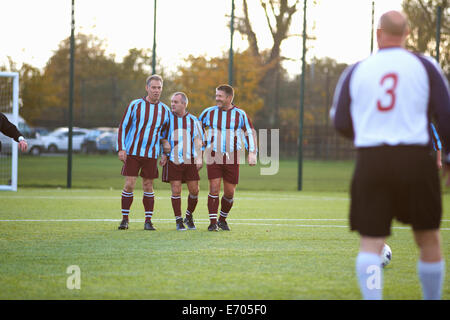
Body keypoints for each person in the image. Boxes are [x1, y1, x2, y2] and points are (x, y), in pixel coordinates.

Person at [330, 11, 450, 300]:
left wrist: (368, 138)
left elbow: (340, 121)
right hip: (416, 159)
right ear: (407, 33)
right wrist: (447, 158)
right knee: (428, 237)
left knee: (371, 242)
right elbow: (446, 114)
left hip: (373, 160)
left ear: (378, 33)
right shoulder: (426, 66)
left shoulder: (357, 70)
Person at [199, 84, 257, 231]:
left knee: (230, 192)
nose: (217, 98)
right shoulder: (208, 113)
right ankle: (212, 223)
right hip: (213, 154)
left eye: (220, 96)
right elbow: (197, 132)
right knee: (214, 188)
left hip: (233, 155)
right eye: (216, 95)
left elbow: (249, 132)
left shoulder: (240, 114)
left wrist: (252, 153)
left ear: (229, 98)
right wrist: (198, 153)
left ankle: (222, 220)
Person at [116, 74, 170, 231]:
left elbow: (165, 135)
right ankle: (125, 219)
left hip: (151, 154)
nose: (156, 90)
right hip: (132, 152)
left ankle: (148, 221)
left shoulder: (165, 110)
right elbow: (123, 126)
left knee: (148, 185)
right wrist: (121, 148)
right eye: (153, 87)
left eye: (159, 88)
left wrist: (164, 153)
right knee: (129, 184)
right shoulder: (135, 105)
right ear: (147, 88)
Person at [159, 92, 204, 231]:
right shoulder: (167, 119)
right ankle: (178, 220)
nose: (172, 104)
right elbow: (160, 135)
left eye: (176, 102)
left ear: (184, 104)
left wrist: (199, 157)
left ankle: (188, 216)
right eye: (172, 101)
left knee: (194, 190)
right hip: (173, 159)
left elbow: (198, 140)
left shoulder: (193, 120)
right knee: (176, 190)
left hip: (189, 160)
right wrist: (164, 146)